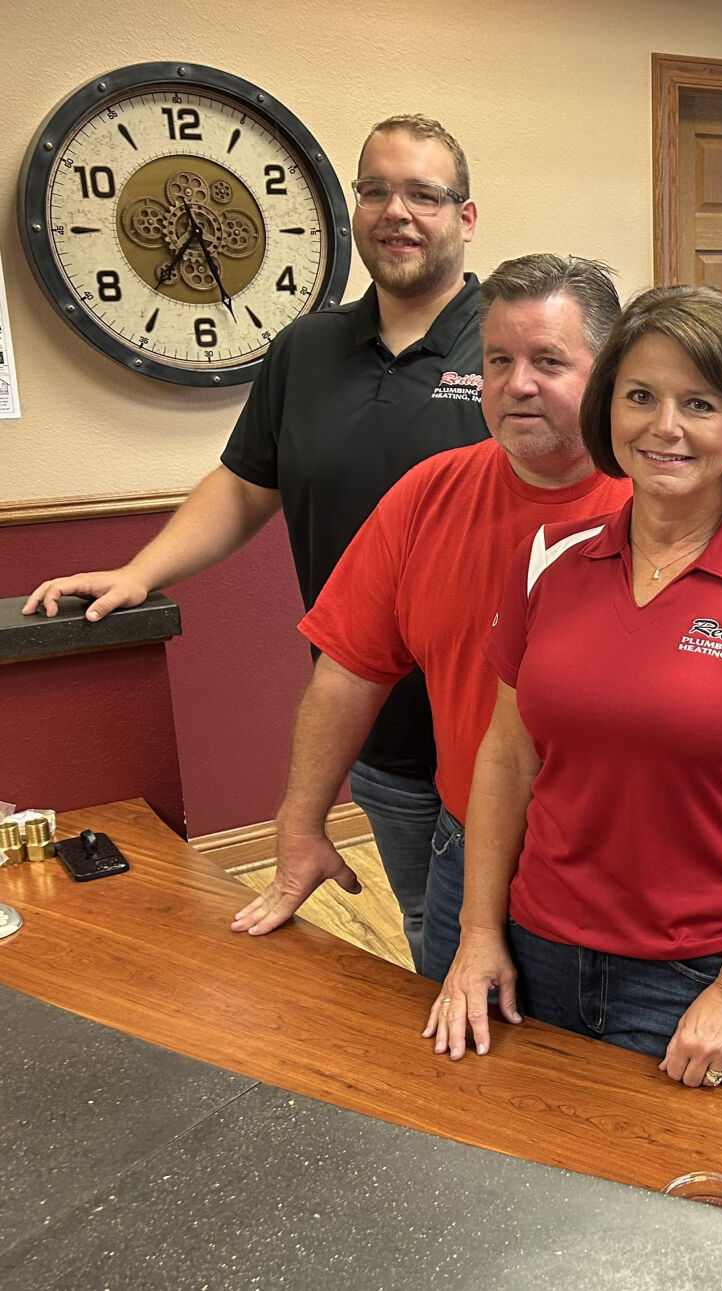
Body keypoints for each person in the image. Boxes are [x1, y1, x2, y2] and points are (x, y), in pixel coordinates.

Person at [24, 115, 486, 971]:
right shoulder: (306, 349)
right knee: (432, 933)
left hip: (504, 724)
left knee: (524, 952)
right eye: (377, 190)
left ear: (465, 217)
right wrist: (140, 570)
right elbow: (244, 484)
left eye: (424, 194)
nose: (398, 211)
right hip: (373, 721)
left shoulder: (512, 345)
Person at [424, 285, 722, 1088]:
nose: (663, 427)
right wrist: (477, 930)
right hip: (531, 947)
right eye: (640, 396)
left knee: (651, 1205)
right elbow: (505, 757)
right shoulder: (546, 559)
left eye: (699, 403)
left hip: (685, 977)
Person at [230, 255, 632, 979]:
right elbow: (347, 672)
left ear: (608, 371)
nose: (517, 384)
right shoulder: (429, 495)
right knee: (456, 1075)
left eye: (549, 360)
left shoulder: (657, 508)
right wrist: (300, 822)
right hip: (464, 847)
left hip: (617, 872)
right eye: (499, 360)